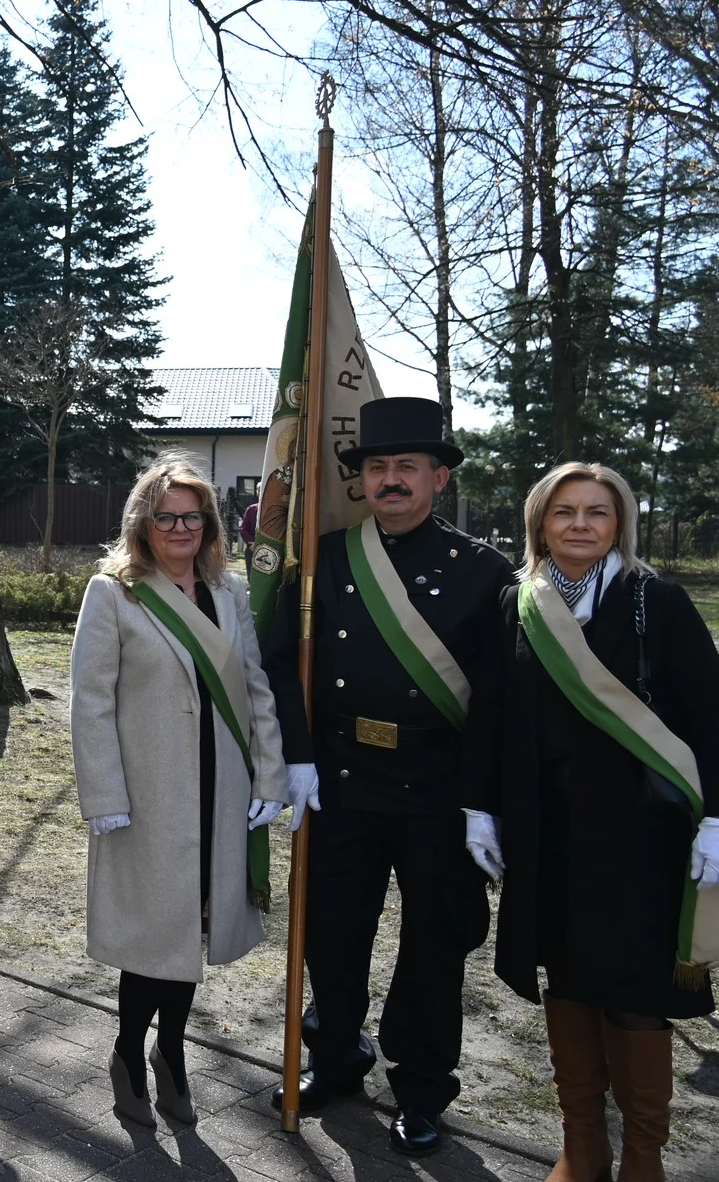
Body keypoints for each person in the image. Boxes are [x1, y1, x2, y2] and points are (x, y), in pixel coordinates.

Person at [466, 463, 719, 1182]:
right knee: (568, 984)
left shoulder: (657, 600)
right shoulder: (517, 601)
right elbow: (492, 714)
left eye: (597, 511)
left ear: (619, 523)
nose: (580, 524)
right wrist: (480, 805)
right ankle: (582, 1147)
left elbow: (712, 710)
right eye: (563, 511)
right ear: (540, 523)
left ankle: (644, 1159)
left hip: (641, 842)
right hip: (549, 837)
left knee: (634, 996)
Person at [263, 396, 512, 1156]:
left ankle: (422, 1086)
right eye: (378, 466)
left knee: (434, 945)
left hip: (438, 789)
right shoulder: (325, 558)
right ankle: (337, 1055)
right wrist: (297, 755)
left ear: (440, 477)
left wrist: (482, 800)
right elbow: (279, 663)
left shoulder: (485, 571)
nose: (392, 479)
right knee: (332, 934)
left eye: (408, 465)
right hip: (341, 780)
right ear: (361, 479)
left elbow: (499, 699)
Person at [69, 455, 287, 1129]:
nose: (181, 528)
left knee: (193, 929)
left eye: (193, 517)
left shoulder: (228, 592)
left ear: (209, 523)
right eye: (166, 517)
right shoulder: (114, 593)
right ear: (144, 523)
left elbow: (255, 687)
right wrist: (104, 795)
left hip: (221, 791)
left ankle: (172, 1052)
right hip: (148, 798)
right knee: (153, 937)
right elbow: (90, 702)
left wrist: (270, 774)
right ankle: (128, 1053)